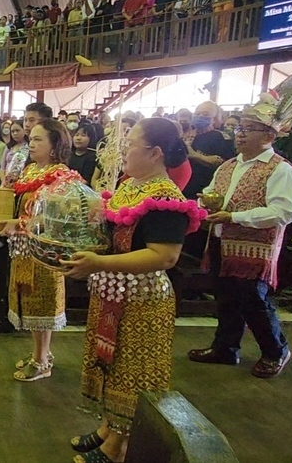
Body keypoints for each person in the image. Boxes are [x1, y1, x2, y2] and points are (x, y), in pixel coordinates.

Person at [62, 118, 205, 463]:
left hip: (142, 298)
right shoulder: (131, 186)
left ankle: (119, 446)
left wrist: (99, 263)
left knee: (132, 369)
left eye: (129, 146)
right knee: (109, 361)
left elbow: (164, 255)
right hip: (114, 290)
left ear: (155, 153)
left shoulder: (166, 196)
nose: (122, 152)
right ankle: (109, 427)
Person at [188, 98, 292, 378]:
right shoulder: (228, 166)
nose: (240, 133)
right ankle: (225, 348)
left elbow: (283, 211)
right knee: (225, 298)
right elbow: (212, 192)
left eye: (249, 129)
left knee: (254, 301)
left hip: (254, 246)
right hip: (220, 239)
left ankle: (276, 351)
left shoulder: (280, 169)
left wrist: (234, 217)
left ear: (269, 136)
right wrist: (204, 205)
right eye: (239, 128)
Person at [0, 119, 76, 382]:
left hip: (46, 250)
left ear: (55, 145)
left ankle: (41, 360)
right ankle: (40, 352)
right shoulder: (30, 171)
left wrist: (17, 224)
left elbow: (57, 220)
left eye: (38, 139)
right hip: (25, 245)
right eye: (30, 138)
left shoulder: (62, 177)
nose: (31, 143)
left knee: (42, 301)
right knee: (28, 299)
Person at [182, 101, 235, 199]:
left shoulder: (221, 138)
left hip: (205, 190)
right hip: (183, 188)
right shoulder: (186, 134)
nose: (200, 116)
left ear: (215, 119)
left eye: (205, 114)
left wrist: (196, 155)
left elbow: (225, 164)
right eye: (197, 114)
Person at [1, 121, 29, 188]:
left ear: (24, 131)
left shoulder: (28, 147)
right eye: (13, 131)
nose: (15, 133)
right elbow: (2, 167)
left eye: (17, 130)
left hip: (20, 181)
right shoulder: (9, 146)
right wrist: (4, 182)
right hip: (5, 182)